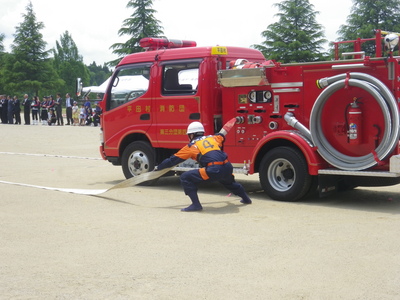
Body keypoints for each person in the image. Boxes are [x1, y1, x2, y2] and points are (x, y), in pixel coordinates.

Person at [155, 119, 252, 212]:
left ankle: (196, 205)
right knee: (229, 182)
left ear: (192, 135)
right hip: (227, 166)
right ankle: (246, 199)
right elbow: (224, 130)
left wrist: (158, 168)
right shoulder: (214, 138)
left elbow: (172, 161)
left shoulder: (191, 146)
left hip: (214, 170)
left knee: (185, 177)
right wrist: (234, 120)